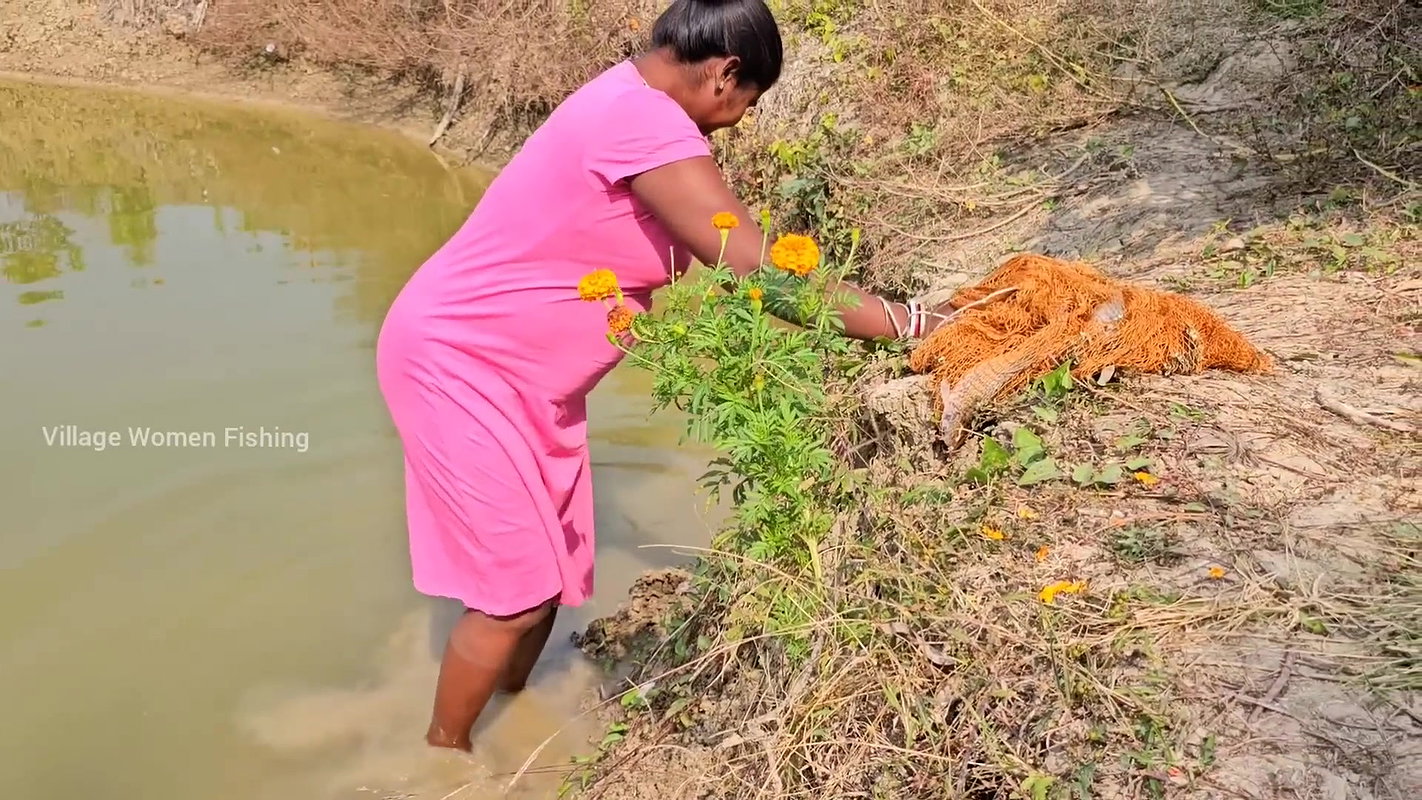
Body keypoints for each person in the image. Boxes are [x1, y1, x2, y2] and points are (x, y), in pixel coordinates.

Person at [375, 0, 956, 751]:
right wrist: (912, 322)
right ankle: (444, 760)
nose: (739, 122)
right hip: (461, 364)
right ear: (726, 74)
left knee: (547, 575)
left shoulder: (624, 94)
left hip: (524, 381)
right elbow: (760, 275)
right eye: (749, 103)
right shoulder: (643, 123)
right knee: (515, 596)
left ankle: (510, 711)